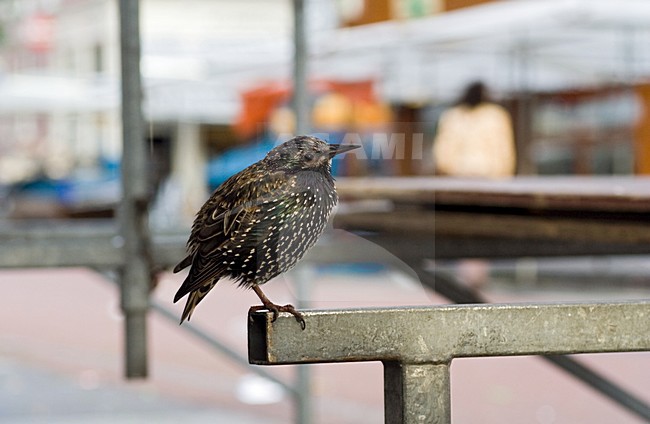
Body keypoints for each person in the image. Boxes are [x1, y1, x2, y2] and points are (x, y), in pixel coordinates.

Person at [433, 81, 516, 177]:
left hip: (464, 175)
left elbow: (443, 150)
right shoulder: (496, 115)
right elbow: (504, 149)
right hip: (472, 175)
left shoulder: (453, 116)